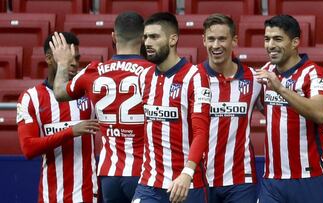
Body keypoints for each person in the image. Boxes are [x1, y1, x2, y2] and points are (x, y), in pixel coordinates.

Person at [49, 12, 154, 203]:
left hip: (109, 174)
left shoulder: (93, 71)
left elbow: (59, 93)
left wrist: (63, 63)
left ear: (113, 36)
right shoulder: (154, 74)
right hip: (144, 171)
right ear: (143, 37)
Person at [255, 15, 323, 203]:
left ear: (295, 42)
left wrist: (281, 89)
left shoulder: (313, 73)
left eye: (277, 39)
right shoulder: (267, 70)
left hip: (308, 177)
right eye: (267, 39)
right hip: (272, 179)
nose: (270, 45)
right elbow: (268, 109)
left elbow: (320, 113)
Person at [132, 12, 211, 203]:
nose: (147, 42)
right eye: (145, 37)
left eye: (154, 37)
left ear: (173, 39)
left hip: (186, 185)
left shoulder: (195, 77)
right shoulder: (144, 76)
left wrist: (187, 173)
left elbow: (201, 132)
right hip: (149, 184)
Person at [17, 32, 99, 203]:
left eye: (77, 58)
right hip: (49, 197)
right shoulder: (31, 98)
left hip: (87, 195)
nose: (75, 64)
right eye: (68, 59)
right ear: (49, 58)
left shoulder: (89, 90)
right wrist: (70, 132)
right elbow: (28, 148)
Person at [197, 13, 261, 203]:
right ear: (203, 40)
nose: (216, 45)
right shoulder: (192, 78)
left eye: (222, 39)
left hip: (241, 179)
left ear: (234, 41)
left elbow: (279, 113)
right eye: (211, 39)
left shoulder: (255, 80)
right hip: (200, 178)